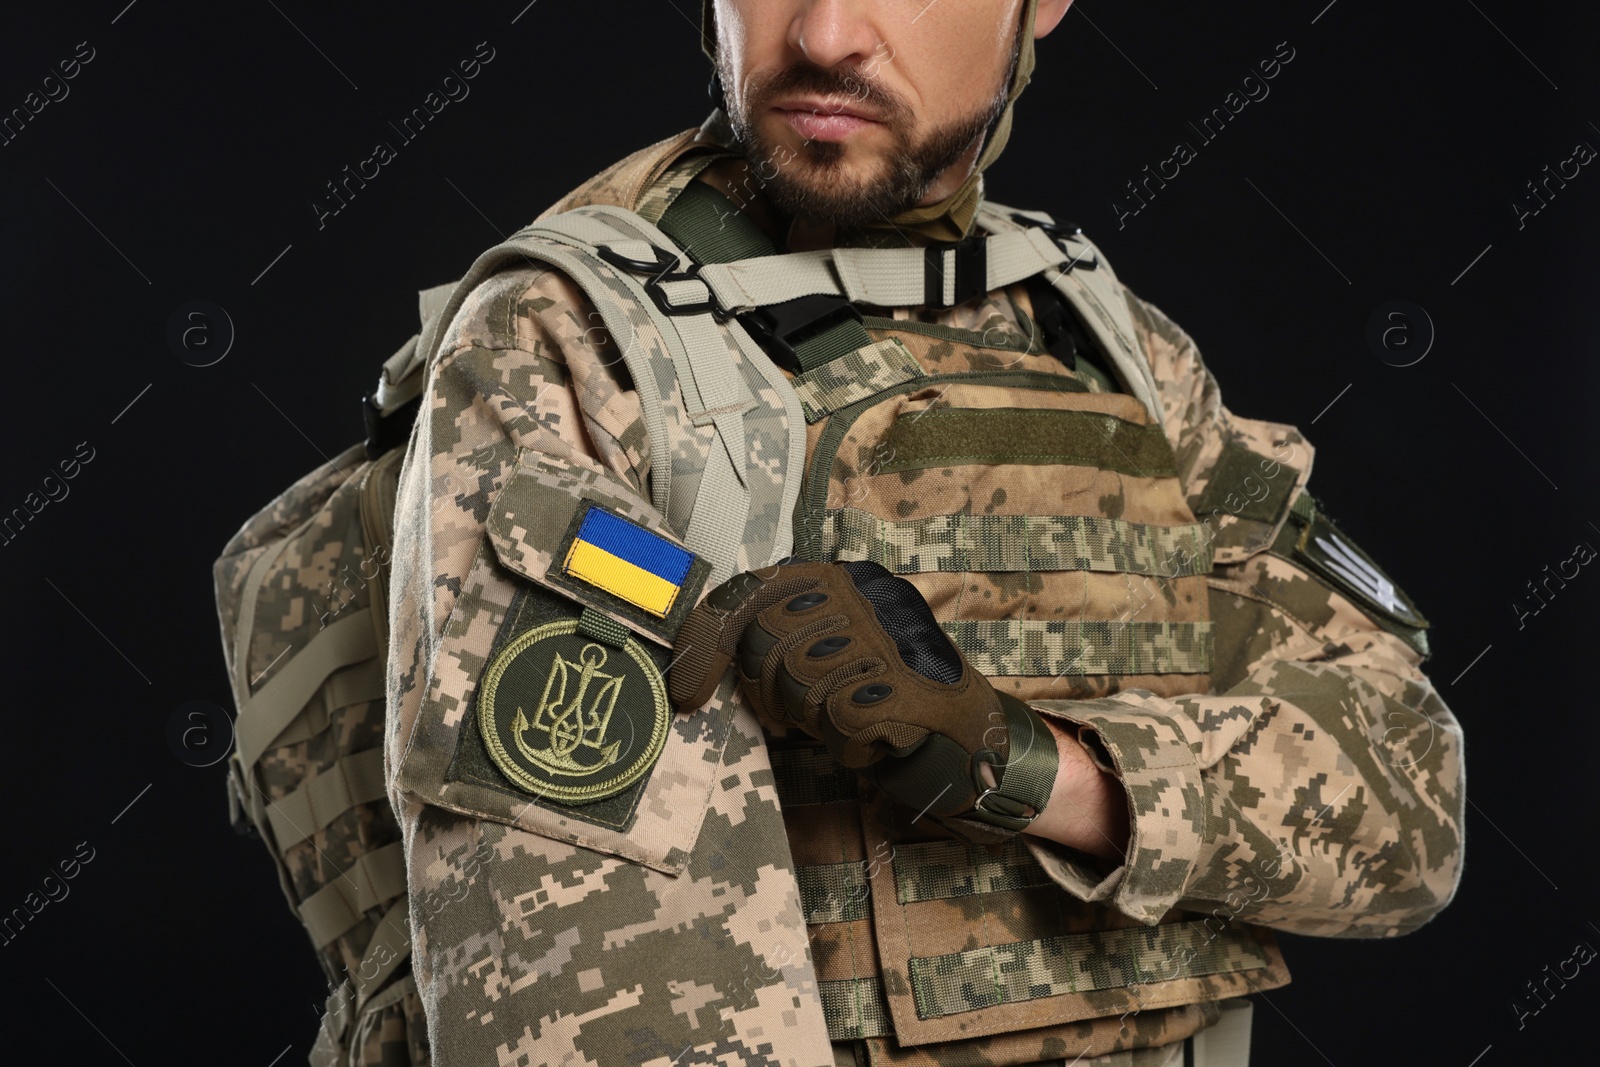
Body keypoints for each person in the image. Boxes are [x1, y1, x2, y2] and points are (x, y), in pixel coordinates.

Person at [381, 1, 1465, 1064]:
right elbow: (595, 991)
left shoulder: (1109, 342)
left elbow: (1412, 810)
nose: (821, 34)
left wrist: (1030, 764)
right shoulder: (568, 339)